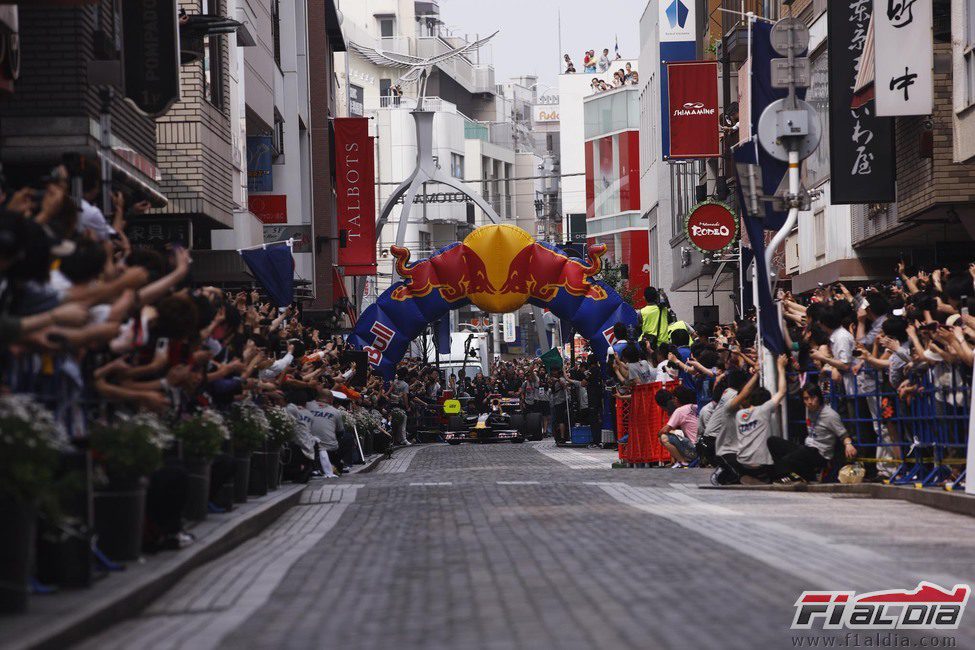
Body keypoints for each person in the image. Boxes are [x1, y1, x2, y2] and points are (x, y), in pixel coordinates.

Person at [720, 355, 789, 484]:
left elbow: (743, 393)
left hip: (743, 464)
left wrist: (756, 374)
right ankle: (772, 478)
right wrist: (780, 367)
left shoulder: (740, 415)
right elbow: (782, 391)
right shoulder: (764, 410)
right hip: (761, 467)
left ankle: (745, 477)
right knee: (776, 443)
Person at [768, 384, 857, 483]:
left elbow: (843, 434)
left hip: (820, 453)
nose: (809, 402)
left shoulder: (830, 415)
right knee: (772, 441)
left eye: (812, 397)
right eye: (806, 398)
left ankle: (788, 475)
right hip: (808, 447)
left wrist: (848, 445)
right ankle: (792, 475)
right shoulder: (808, 409)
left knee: (789, 459)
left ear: (818, 397)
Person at [658, 386, 698, 467]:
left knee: (663, 437)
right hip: (705, 447)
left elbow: (664, 430)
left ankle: (682, 462)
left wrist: (659, 433)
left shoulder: (680, 411)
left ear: (676, 399)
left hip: (694, 450)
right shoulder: (696, 406)